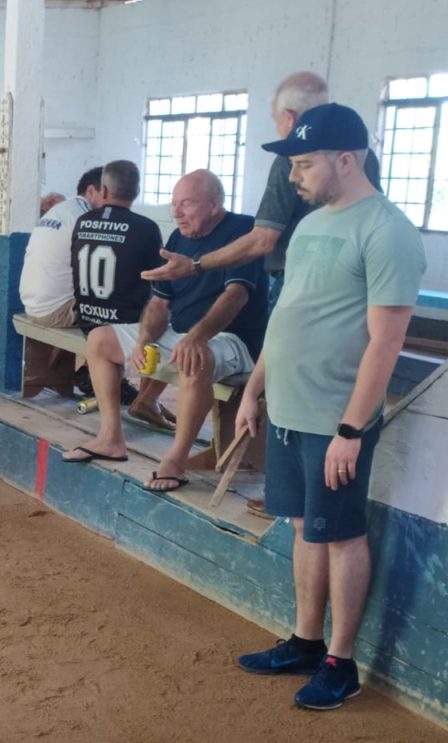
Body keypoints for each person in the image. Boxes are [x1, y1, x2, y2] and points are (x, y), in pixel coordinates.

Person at [234, 103, 425, 711]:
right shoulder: (311, 225)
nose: (295, 176)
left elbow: (387, 341)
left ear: (348, 159)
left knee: (340, 534)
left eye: (306, 163)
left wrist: (350, 427)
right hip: (288, 408)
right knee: (301, 528)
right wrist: (253, 386)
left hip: (334, 417)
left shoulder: (387, 229)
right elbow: (288, 315)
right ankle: (305, 641)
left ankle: (341, 664)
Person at [141, 71, 381, 515]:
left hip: (303, 287)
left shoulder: (294, 158)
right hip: (347, 290)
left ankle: (288, 489)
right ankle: (315, 485)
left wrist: (196, 263)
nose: (296, 171)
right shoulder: (363, 159)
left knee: (292, 387)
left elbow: (263, 240)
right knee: (325, 383)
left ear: (288, 118)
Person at [109, 171, 267, 490]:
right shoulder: (179, 237)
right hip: (180, 333)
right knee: (101, 338)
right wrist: (142, 340)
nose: (176, 212)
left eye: (186, 204)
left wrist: (197, 337)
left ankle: (176, 459)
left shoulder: (243, 230)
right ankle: (109, 437)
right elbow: (158, 304)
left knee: (196, 357)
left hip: (232, 340)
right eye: (173, 204)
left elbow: (236, 296)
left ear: (214, 203)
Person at [61, 161, 164, 463]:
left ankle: (143, 404)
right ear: (136, 192)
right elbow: (158, 283)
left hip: (88, 319)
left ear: (103, 190)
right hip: (122, 324)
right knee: (163, 314)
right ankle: (149, 400)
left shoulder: (82, 221)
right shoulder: (146, 228)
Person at [20, 169, 107, 328]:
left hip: (32, 307)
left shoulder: (58, 211)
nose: (111, 203)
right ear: (91, 191)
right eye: (107, 195)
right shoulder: (85, 218)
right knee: (129, 307)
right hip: (57, 311)